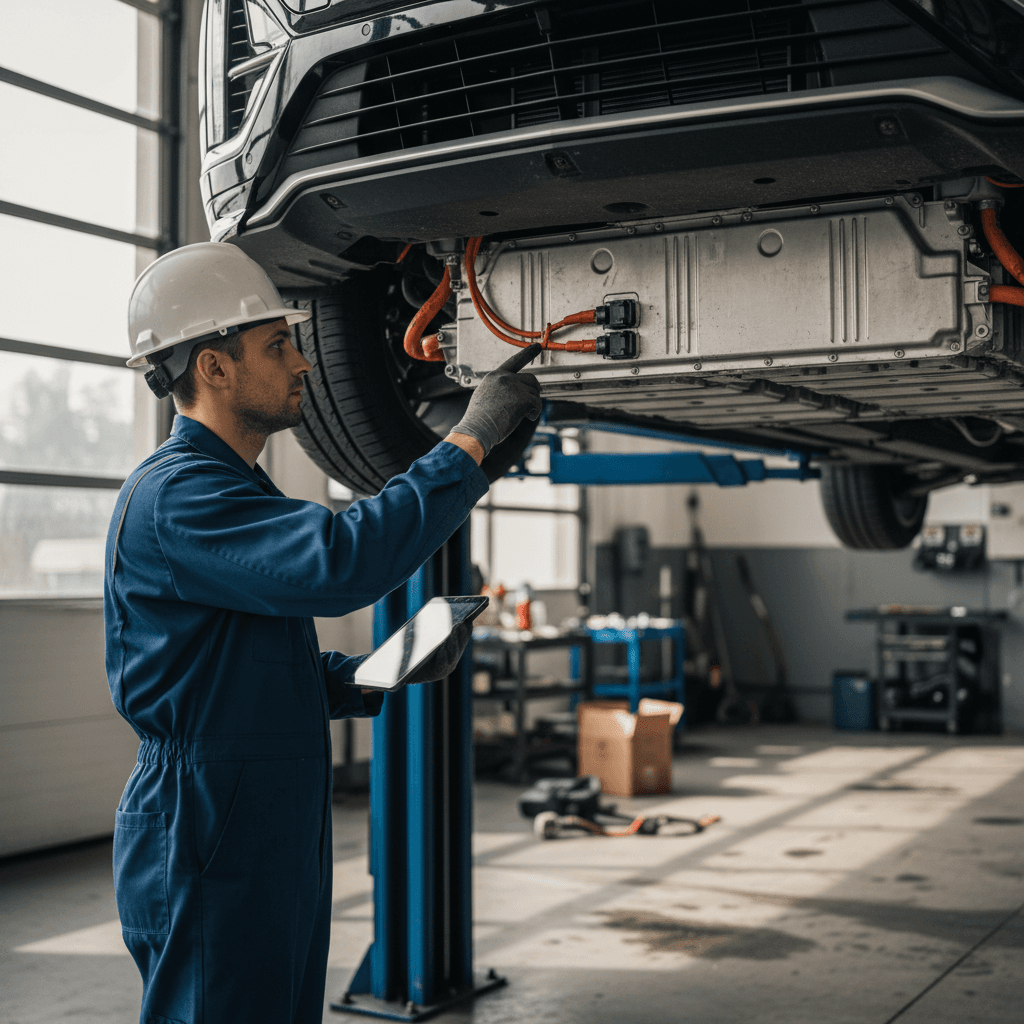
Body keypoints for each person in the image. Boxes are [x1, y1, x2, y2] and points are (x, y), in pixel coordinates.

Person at [105, 242, 541, 1024]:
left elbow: (234, 665)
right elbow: (344, 562)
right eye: (279, 345)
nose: (304, 363)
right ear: (213, 367)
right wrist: (467, 444)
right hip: (208, 819)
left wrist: (367, 675)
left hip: (255, 812)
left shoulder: (233, 488)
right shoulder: (181, 497)